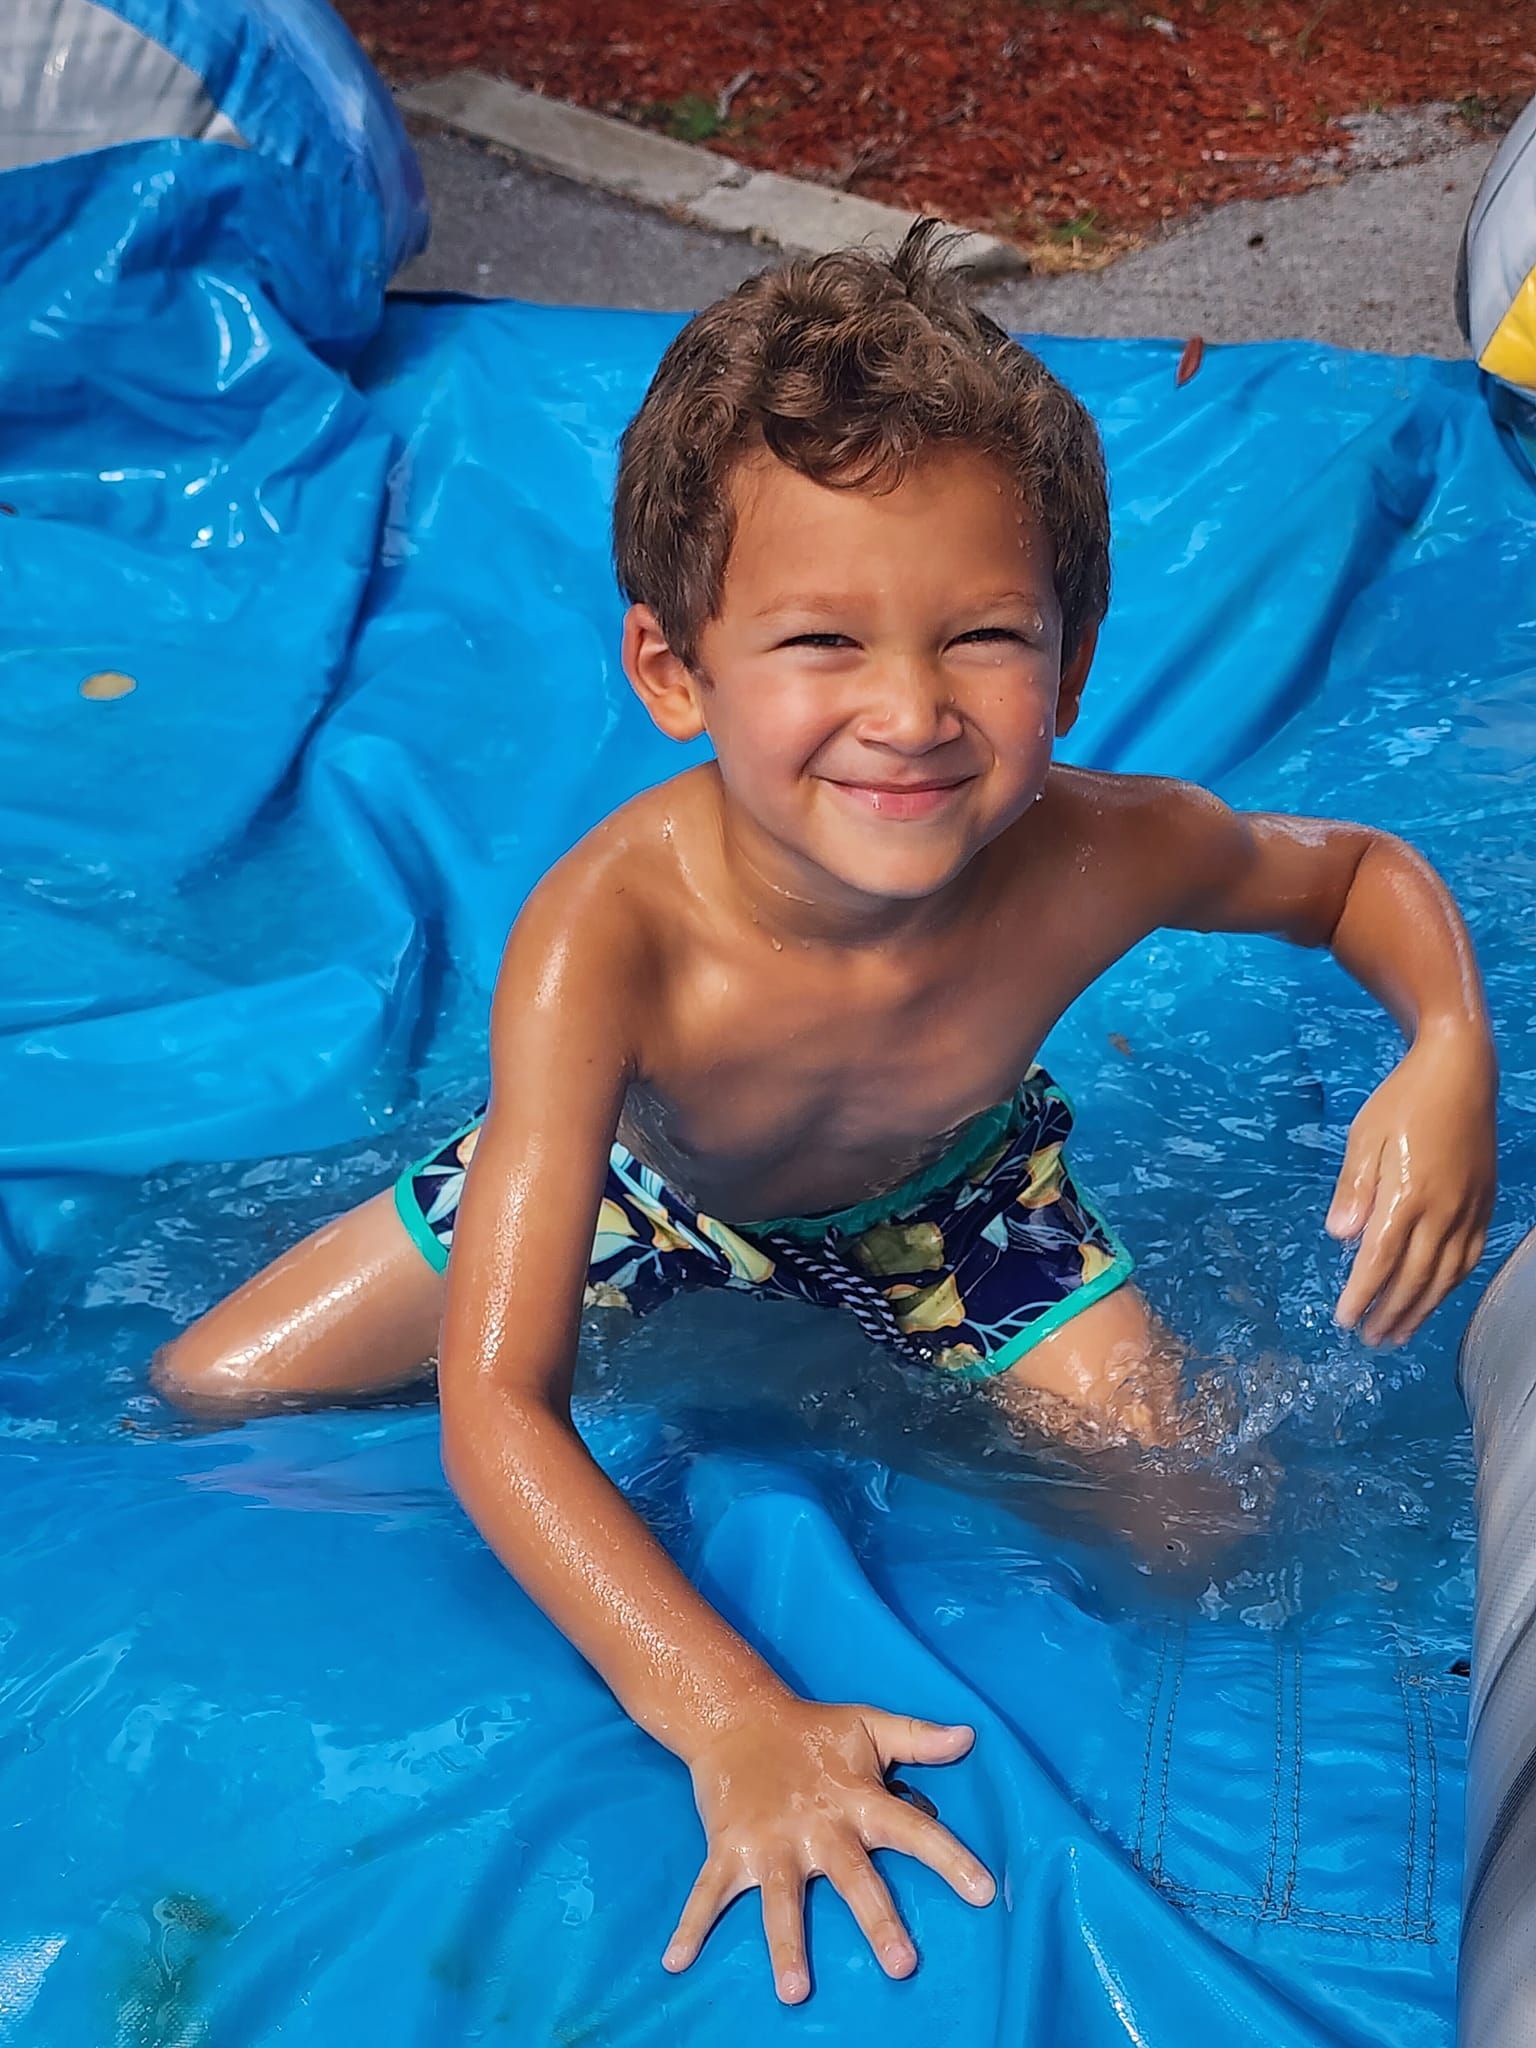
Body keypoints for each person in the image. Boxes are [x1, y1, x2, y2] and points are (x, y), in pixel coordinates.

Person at [153, 221, 1498, 2004]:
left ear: (1074, 660)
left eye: (983, 636)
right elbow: (499, 1403)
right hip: (640, 1188)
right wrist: (728, 1713)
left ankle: (868, 1367)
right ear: (673, 672)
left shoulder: (1101, 852)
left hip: (952, 1203)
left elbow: (1353, 878)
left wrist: (1448, 1048)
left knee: (1211, 1526)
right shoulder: (605, 939)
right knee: (210, 1390)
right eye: (822, 640)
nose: (911, 711)